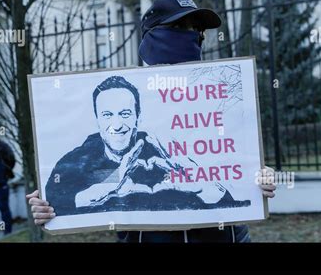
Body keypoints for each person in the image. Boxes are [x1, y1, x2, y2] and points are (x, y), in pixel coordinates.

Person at [27, 0, 276, 243]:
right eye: (179, 27)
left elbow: (241, 168)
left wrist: (257, 178)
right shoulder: (95, 149)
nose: (193, 35)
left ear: (137, 115)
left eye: (197, 29)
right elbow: (61, 195)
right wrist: (49, 204)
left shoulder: (220, 99)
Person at [45, 75, 250, 216]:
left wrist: (203, 186)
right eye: (107, 115)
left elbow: (235, 207)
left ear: (138, 117)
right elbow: (55, 203)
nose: (116, 125)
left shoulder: (164, 154)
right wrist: (111, 182)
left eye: (125, 114)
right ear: (97, 119)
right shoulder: (79, 160)